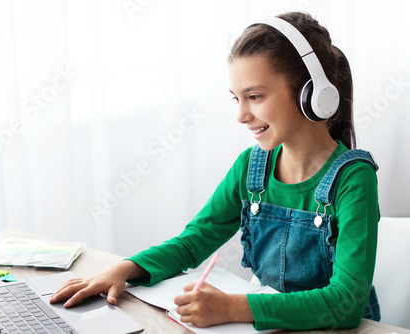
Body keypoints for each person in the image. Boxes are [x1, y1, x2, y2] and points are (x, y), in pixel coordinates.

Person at [50, 12, 381, 330]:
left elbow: (346, 302)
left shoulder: (353, 179)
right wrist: (124, 268)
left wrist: (233, 307)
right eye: (236, 98)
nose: (241, 115)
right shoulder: (251, 168)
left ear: (313, 95)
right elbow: (192, 243)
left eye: (254, 96)